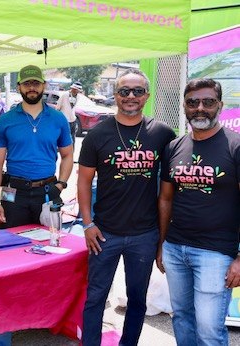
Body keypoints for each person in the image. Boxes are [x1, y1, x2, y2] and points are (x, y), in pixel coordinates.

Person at [77, 68, 175, 346]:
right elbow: (84, 181)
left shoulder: (162, 134)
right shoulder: (97, 135)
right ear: (115, 95)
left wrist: (164, 236)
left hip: (145, 234)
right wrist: (87, 223)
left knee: (137, 299)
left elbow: (170, 187)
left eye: (137, 91)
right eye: (124, 91)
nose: (130, 96)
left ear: (147, 95)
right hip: (104, 233)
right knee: (95, 297)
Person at [157, 78, 240, 346]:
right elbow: (166, 199)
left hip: (215, 252)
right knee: (181, 317)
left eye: (208, 102)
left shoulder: (235, 146)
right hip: (175, 247)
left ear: (220, 106)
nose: (200, 108)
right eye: (193, 102)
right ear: (184, 106)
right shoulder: (174, 147)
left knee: (209, 330)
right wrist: (162, 244)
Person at [0, 65, 73, 228]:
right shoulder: (6, 120)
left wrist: (61, 184)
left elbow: (68, 155)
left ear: (44, 85)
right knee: (12, 245)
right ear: (19, 86)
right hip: (12, 192)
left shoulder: (58, 119)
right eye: (27, 84)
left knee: (50, 244)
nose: (32, 88)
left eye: (36, 83)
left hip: (49, 191)